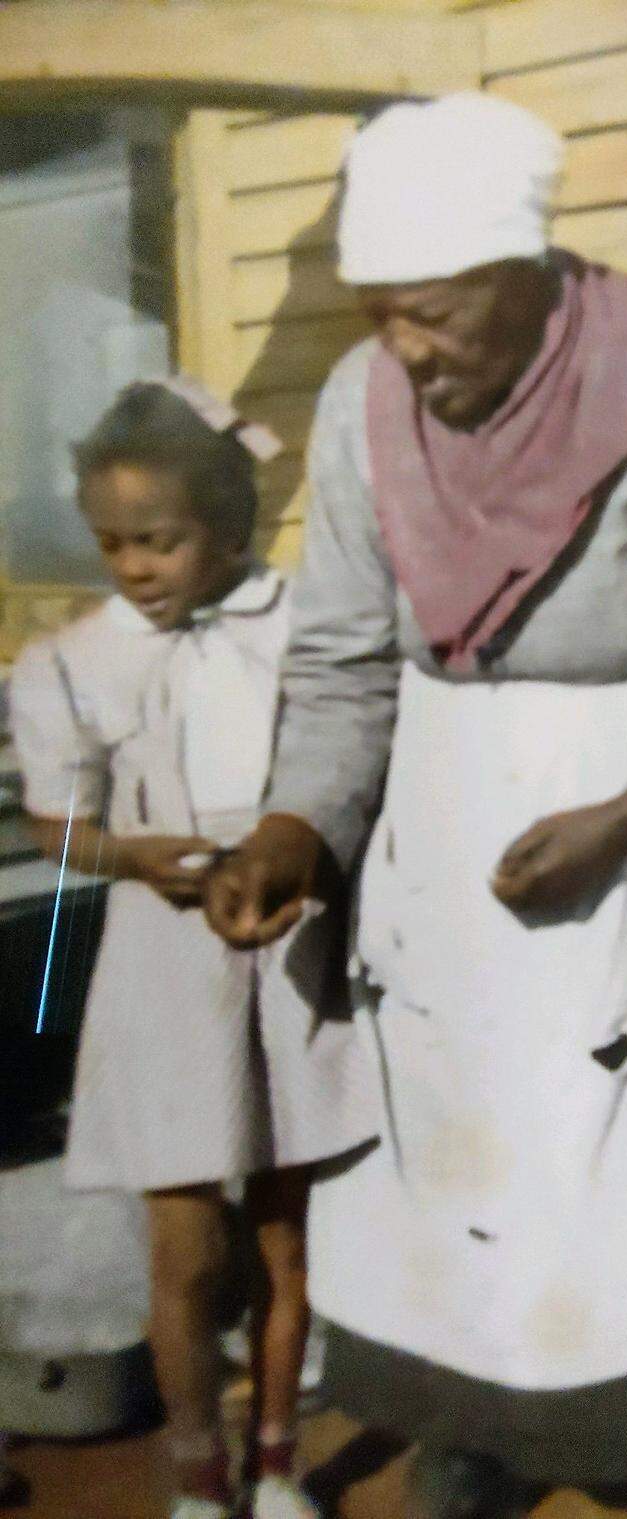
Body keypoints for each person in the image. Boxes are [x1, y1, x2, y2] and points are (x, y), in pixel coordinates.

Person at [204, 92, 627, 1519]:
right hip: (450, 814)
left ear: (521, 279)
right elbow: (345, 657)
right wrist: (299, 826)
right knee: (466, 1144)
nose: (407, 352)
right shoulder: (367, 410)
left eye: (431, 314)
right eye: (381, 315)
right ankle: (476, 1426)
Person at [9, 381, 378, 1519]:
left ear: (227, 528)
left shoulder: (299, 620)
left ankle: (275, 1463)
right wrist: (121, 854)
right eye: (113, 543)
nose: (133, 566)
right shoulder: (70, 659)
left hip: (286, 945)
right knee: (183, 1247)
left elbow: (345, 752)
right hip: (164, 961)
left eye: (160, 541)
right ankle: (196, 1477)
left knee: (283, 1239)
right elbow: (53, 821)